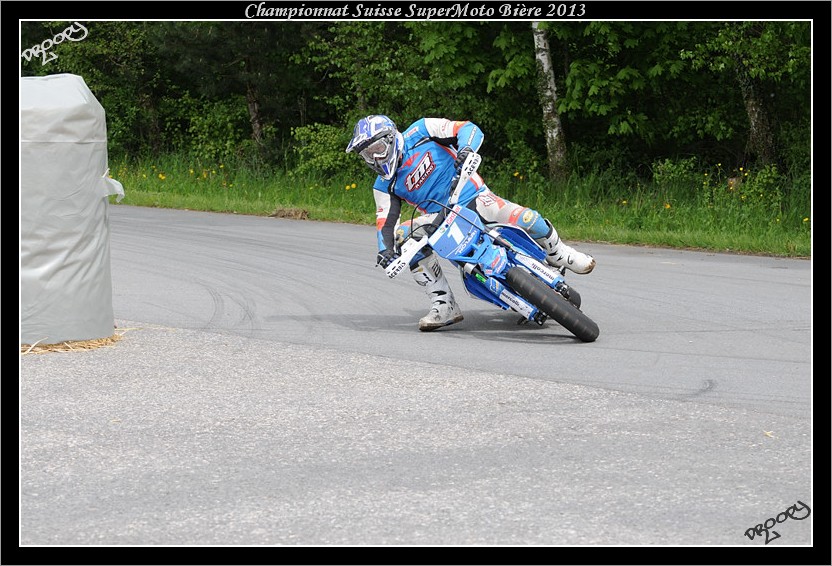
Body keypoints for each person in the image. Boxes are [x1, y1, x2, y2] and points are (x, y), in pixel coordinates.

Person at [346, 114, 595, 332]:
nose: (374, 158)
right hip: (439, 219)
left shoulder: (421, 130)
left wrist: (465, 149)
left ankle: (560, 254)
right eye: (367, 154)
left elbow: (468, 128)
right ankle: (443, 303)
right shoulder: (383, 185)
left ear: (391, 138)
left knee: (528, 218)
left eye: (377, 149)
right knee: (403, 237)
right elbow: (385, 222)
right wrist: (386, 251)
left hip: (473, 195)